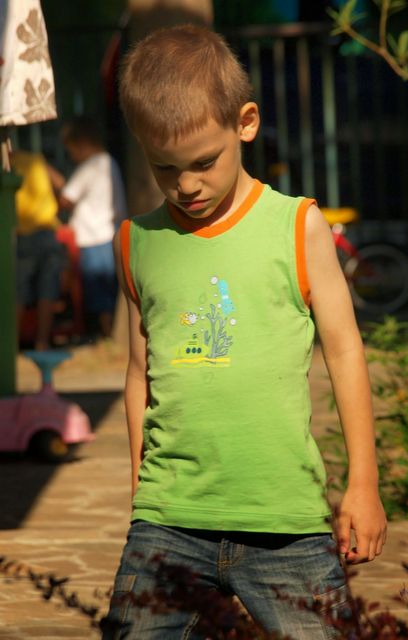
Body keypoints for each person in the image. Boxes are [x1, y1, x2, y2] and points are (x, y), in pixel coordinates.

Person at [103, 25, 387, 640]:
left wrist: (363, 484)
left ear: (246, 123)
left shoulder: (298, 226)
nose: (186, 185)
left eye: (204, 162)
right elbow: (139, 374)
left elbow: (344, 351)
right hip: (169, 522)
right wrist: (140, 496)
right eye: (164, 167)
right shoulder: (136, 242)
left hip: (286, 526)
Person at [48, 116, 127, 339]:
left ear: (82, 143)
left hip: (93, 237)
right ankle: (106, 332)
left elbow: (66, 198)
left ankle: (103, 334)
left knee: (97, 291)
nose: (71, 156)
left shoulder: (91, 166)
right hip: (107, 233)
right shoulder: (108, 162)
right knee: (106, 289)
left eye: (71, 150)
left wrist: (49, 173)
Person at [12, 150, 64, 351]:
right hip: (49, 231)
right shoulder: (35, 159)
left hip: (24, 234)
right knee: (47, 291)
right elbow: (60, 182)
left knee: (19, 292)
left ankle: (11, 345)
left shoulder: (8, 165)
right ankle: (42, 342)